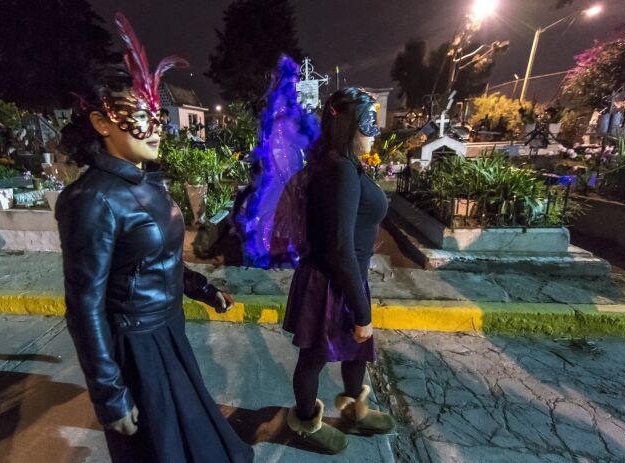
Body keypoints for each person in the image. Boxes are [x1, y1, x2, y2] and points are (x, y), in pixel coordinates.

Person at [55, 13, 254, 463]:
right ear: (102, 123)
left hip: (169, 330)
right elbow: (84, 305)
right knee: (160, 449)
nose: (157, 126)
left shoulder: (146, 183)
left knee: (197, 441)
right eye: (140, 117)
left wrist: (204, 290)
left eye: (156, 114)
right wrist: (109, 392)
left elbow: (158, 258)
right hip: (135, 349)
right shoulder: (90, 201)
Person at [282, 88, 396, 454]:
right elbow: (340, 247)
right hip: (331, 281)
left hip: (347, 276)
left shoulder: (341, 163)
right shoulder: (340, 169)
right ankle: (305, 424)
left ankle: (354, 411)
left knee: (355, 352)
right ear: (348, 124)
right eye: (368, 124)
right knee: (314, 357)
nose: (373, 133)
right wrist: (362, 311)